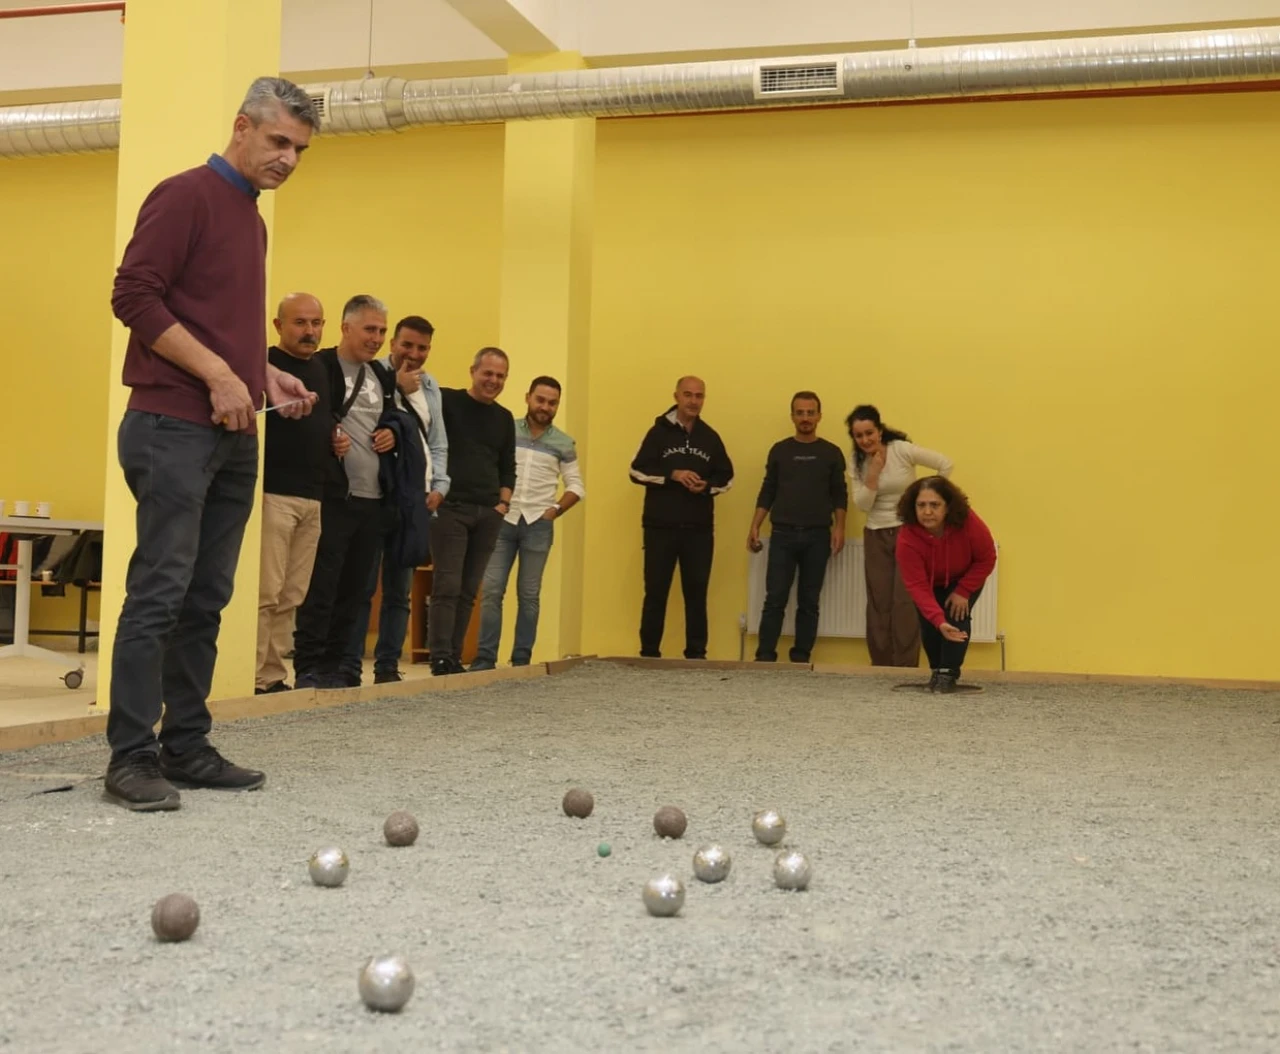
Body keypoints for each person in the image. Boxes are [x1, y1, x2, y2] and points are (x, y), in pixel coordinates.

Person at [104, 77, 319, 812]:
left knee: (207, 598)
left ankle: (186, 745)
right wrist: (221, 374)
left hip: (233, 431)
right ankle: (131, 756)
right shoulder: (184, 195)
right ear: (242, 126)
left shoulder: (252, 221)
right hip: (171, 426)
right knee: (160, 592)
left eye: (300, 149)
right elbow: (133, 296)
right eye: (279, 141)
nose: (288, 158)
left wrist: (263, 374)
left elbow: (219, 325)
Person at [292, 295, 397, 689]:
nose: (377, 338)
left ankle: (337, 666)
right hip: (334, 498)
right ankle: (309, 666)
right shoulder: (321, 367)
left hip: (373, 501)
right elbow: (309, 422)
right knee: (322, 586)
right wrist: (329, 437)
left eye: (382, 331)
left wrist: (392, 432)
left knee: (356, 591)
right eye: (370, 329)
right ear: (345, 327)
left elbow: (392, 418)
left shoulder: (381, 376)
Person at [347, 315, 450, 683]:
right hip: (376, 495)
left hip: (415, 499)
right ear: (392, 343)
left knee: (399, 590)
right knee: (362, 587)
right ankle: (350, 665)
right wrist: (396, 387)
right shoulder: (372, 374)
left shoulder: (431, 386)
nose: (414, 354)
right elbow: (364, 422)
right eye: (407, 345)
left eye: (422, 348)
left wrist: (440, 485)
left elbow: (437, 442)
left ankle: (388, 666)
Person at [471, 376, 585, 672]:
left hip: (538, 524)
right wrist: (496, 503)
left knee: (529, 595)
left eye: (552, 403)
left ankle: (521, 661)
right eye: (540, 400)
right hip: (503, 520)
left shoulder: (564, 442)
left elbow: (576, 486)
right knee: (492, 590)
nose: (545, 407)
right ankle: (484, 659)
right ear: (528, 398)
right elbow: (492, 466)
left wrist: (555, 510)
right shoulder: (506, 430)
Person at [255, 293, 331, 695]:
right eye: (300, 322)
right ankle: (256, 676)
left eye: (316, 323)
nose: (309, 331)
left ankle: (273, 673)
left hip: (313, 496)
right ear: (278, 325)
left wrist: (335, 438)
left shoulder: (321, 369)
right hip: (274, 493)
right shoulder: (262, 364)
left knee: (292, 594)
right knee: (266, 592)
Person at [629, 376, 734, 659]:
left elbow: (727, 477)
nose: (693, 401)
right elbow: (636, 471)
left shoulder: (710, 437)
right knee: (655, 592)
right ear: (676, 396)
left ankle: (696, 655)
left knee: (697, 593)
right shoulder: (657, 433)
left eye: (699, 396)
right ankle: (649, 653)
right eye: (688, 394)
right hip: (659, 528)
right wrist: (672, 475)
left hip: (699, 531)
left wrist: (707, 487)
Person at [428, 348, 517, 676]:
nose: (493, 381)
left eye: (500, 376)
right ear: (473, 371)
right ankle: (439, 657)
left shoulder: (504, 418)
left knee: (468, 591)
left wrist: (502, 505)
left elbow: (507, 466)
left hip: (488, 514)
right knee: (447, 585)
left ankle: (454, 657)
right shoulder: (447, 402)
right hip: (451, 509)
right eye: (488, 373)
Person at [847, 404, 953, 668]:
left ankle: (906, 668)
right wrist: (873, 474)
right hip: (876, 534)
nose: (865, 440)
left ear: (880, 431)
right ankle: (881, 666)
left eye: (869, 433)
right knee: (879, 602)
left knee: (905, 602)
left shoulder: (901, 450)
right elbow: (862, 505)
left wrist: (926, 501)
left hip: (909, 534)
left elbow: (945, 464)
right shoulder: (856, 461)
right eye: (859, 436)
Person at [748, 391, 847, 664]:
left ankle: (801, 657)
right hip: (783, 535)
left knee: (809, 601)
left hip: (818, 536)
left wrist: (840, 528)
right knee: (775, 598)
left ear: (819, 416)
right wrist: (755, 525)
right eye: (800, 413)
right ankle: (765, 656)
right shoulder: (780, 451)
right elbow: (768, 491)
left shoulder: (831, 453)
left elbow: (839, 494)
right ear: (792, 416)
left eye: (810, 413)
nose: (805, 418)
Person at [895, 476, 996, 693]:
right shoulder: (907, 537)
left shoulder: (968, 522)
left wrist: (964, 591)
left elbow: (987, 558)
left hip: (965, 577)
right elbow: (916, 585)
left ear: (948, 507)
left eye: (935, 505)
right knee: (930, 622)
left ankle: (949, 673)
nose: (927, 512)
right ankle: (937, 670)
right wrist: (937, 620)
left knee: (956, 616)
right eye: (921, 505)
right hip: (929, 582)